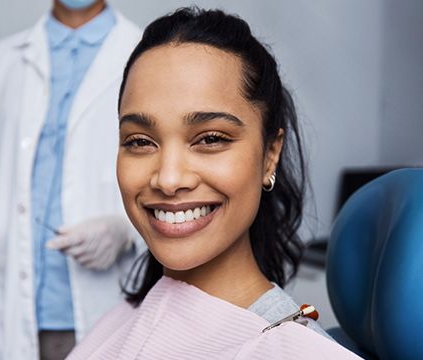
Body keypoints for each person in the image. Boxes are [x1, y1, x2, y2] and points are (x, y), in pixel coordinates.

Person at [67, 7, 361, 359]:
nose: (169, 179)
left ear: (270, 153)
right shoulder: (117, 323)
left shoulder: (294, 350)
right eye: (140, 141)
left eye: (210, 139)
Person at [0, 1, 143, 359]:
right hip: (7, 309)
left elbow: (164, 174)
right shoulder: (0, 61)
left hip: (100, 309)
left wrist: (126, 231)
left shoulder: (144, 55)